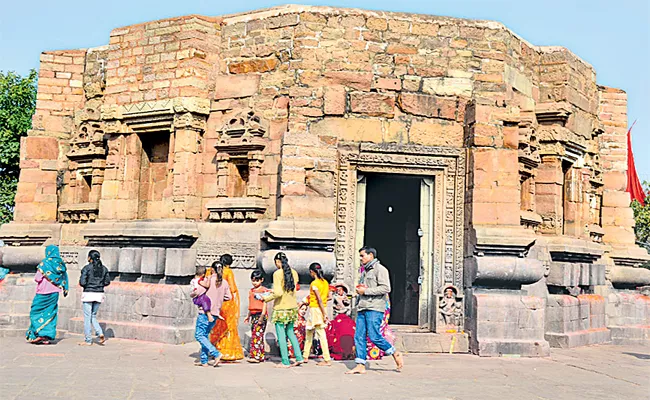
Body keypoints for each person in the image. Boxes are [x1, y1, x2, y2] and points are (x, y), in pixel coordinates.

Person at [346, 246, 403, 374]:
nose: (361, 259)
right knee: (359, 336)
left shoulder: (380, 269)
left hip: (375, 307)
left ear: (371, 255)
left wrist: (366, 291)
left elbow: (385, 288)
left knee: (374, 335)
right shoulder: (364, 271)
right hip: (362, 306)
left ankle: (394, 352)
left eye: (362, 256)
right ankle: (360, 364)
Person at [260, 252, 305, 368]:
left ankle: (285, 361)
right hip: (292, 307)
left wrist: (266, 298)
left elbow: (278, 292)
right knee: (290, 332)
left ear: (277, 262)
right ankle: (299, 357)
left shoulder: (277, 274)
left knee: (281, 335)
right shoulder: (294, 272)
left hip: (281, 308)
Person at [26, 245, 69, 345]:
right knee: (51, 313)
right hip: (54, 293)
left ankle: (39, 334)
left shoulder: (45, 263)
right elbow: (64, 278)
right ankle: (46, 337)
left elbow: (37, 278)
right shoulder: (60, 263)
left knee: (35, 312)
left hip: (42, 293)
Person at [192, 262, 231, 367]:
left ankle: (216, 353)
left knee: (199, 335)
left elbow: (198, 291)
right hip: (215, 314)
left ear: (212, 270)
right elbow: (229, 297)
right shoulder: (225, 282)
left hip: (205, 312)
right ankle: (204, 361)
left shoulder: (207, 281)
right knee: (205, 335)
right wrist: (219, 298)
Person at [209, 254, 244, 361]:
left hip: (214, 302)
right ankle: (226, 351)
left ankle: (214, 348)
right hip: (226, 303)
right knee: (227, 326)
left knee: (216, 326)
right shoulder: (228, 272)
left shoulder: (211, 271)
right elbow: (232, 289)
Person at [301, 262, 332, 366]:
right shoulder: (325, 282)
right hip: (322, 308)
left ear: (311, 272)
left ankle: (326, 358)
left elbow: (318, 299)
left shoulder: (314, 284)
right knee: (311, 332)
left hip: (316, 309)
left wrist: (323, 313)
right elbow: (329, 297)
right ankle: (305, 355)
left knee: (318, 333)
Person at [78, 250, 111, 346]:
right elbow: (107, 282)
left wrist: (88, 285)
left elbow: (82, 282)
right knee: (93, 315)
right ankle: (100, 332)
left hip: (88, 293)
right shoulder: (104, 269)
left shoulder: (87, 268)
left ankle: (88, 340)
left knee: (87, 317)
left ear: (89, 258)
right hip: (99, 294)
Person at [244, 269, 269, 363]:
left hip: (260, 314)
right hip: (254, 315)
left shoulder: (264, 291)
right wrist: (248, 316)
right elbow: (251, 305)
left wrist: (262, 317)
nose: (255, 282)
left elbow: (265, 304)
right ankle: (260, 354)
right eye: (253, 280)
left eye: (257, 280)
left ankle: (257, 356)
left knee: (257, 336)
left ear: (262, 280)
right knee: (256, 335)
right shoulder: (251, 291)